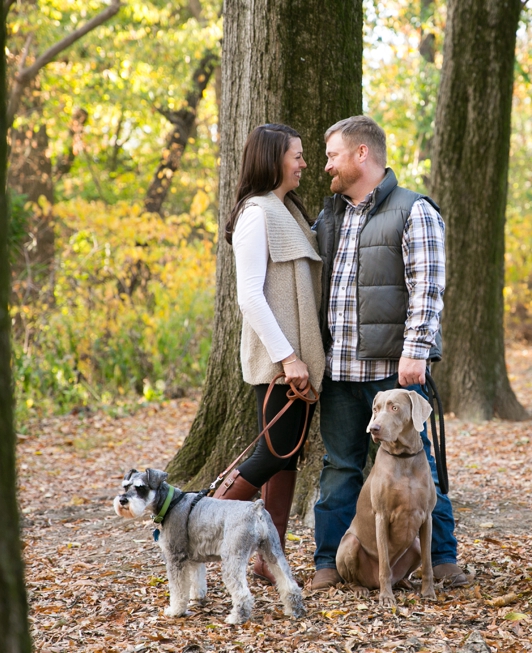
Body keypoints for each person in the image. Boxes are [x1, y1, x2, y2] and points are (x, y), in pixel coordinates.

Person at [309, 115, 467, 590]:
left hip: (392, 373)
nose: (326, 166)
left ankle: (440, 559)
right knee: (339, 467)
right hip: (338, 371)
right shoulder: (329, 215)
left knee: (421, 464)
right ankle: (328, 564)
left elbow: (427, 286)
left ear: (362, 154)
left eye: (333, 154)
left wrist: (417, 350)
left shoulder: (413, 210)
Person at [212, 124, 325, 583]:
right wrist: (288, 358)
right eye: (296, 156)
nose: (303, 163)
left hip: (296, 361)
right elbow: (250, 297)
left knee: (286, 455)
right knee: (272, 454)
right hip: (281, 364)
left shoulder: (287, 210)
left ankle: (268, 561)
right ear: (273, 158)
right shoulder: (257, 214)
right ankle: (190, 521)